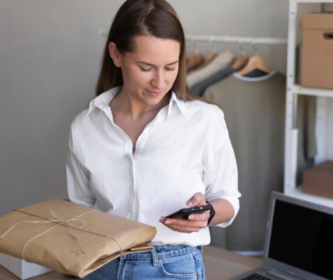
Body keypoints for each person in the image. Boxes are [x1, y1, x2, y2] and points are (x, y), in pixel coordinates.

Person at [66, 0, 241, 279]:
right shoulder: (85, 126)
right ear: (116, 54)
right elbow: (81, 208)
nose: (160, 82)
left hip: (172, 267)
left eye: (170, 67)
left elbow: (228, 200)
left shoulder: (205, 120)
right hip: (99, 263)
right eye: (146, 67)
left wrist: (206, 214)